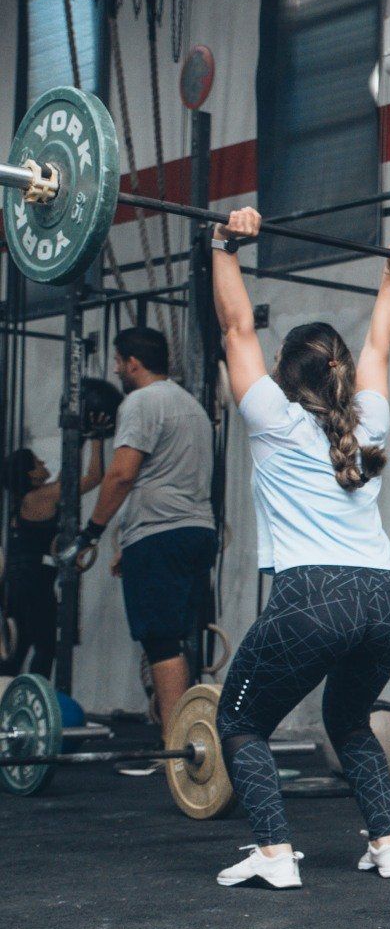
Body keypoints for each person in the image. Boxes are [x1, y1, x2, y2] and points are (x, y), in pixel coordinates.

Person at [208, 207, 390, 890]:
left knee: (240, 718)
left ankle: (274, 852)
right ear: (340, 372)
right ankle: (387, 845)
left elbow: (236, 328)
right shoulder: (370, 419)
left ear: (283, 373)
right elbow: (380, 347)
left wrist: (224, 246)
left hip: (315, 595)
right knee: (348, 717)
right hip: (387, 597)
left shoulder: (271, 418)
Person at [67, 326, 217, 768]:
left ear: (133, 362)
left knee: (160, 641)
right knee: (176, 638)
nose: (116, 369)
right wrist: (129, 546)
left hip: (161, 534)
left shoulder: (140, 402)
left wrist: (91, 533)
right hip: (194, 532)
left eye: (118, 361)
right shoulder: (192, 406)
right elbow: (168, 475)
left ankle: (176, 753)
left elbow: (122, 474)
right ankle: (188, 744)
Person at [3, 435, 106, 677]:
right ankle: (37, 697)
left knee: (17, 651)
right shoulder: (42, 496)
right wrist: (97, 439)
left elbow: (64, 483)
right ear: (31, 474)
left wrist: (77, 443)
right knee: (46, 647)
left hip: (17, 585)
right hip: (34, 584)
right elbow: (94, 477)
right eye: (38, 463)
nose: (44, 464)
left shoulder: (28, 499)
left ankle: (8, 696)